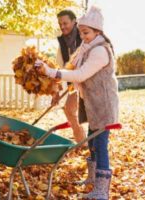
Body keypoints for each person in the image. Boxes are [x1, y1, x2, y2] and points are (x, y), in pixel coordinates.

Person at [35, 6, 119, 199]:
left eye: (86, 33)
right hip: (91, 103)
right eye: (81, 32)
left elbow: (80, 74)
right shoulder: (87, 48)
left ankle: (101, 190)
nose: (83, 36)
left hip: (103, 104)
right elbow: (71, 68)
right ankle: (92, 179)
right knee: (92, 141)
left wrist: (52, 72)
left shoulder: (100, 51)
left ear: (98, 32)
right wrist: (57, 84)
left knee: (100, 143)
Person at [55, 10, 86, 143]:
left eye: (65, 23)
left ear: (74, 21)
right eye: (60, 24)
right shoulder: (62, 42)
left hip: (88, 80)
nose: (62, 27)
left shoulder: (84, 35)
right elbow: (59, 68)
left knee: (92, 113)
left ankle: (96, 145)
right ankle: (81, 141)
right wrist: (55, 91)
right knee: (69, 109)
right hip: (73, 83)